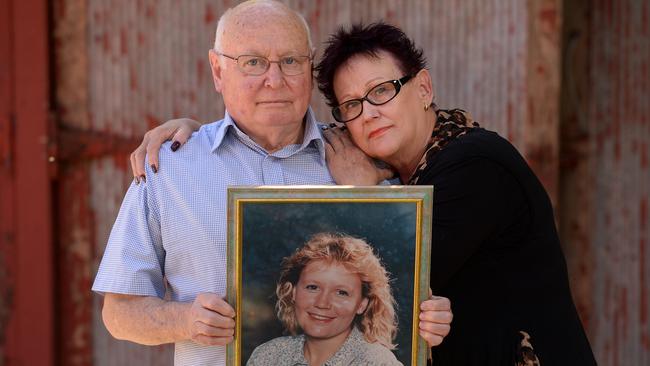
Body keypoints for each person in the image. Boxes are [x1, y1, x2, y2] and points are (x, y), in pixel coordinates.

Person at [134, 22, 598, 365]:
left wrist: (365, 190)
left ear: (423, 88)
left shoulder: (475, 164)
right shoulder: (391, 158)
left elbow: (399, 272)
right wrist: (196, 135)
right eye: (352, 104)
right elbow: (261, 126)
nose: (369, 113)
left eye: (382, 91)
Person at [93, 2, 452, 365]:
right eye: (253, 62)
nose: (275, 80)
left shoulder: (357, 156)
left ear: (310, 67)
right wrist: (185, 320)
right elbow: (119, 312)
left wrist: (429, 318)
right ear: (218, 70)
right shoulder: (168, 168)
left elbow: (407, 297)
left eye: (291, 62)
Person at [247, 232, 401, 366]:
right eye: (312, 287)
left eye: (341, 292)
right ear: (293, 292)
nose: (322, 303)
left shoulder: (377, 362)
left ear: (361, 304)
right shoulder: (267, 356)